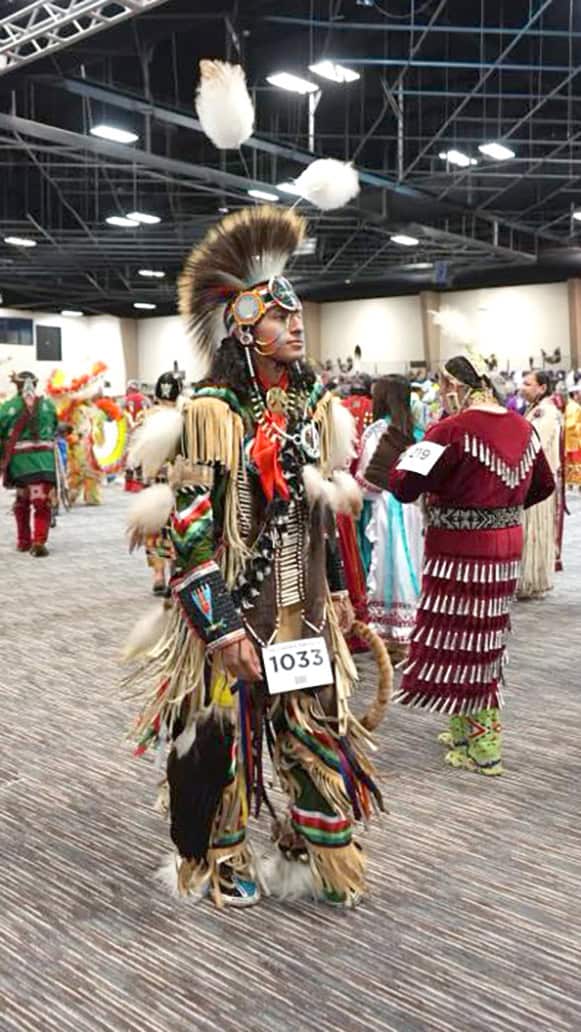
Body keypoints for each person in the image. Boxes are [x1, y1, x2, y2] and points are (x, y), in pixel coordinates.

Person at [124, 205, 385, 909]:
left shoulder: (314, 410)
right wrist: (220, 629)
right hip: (234, 616)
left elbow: (321, 514)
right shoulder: (209, 415)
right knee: (225, 741)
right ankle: (221, 854)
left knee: (313, 729)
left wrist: (337, 592)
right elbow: (188, 533)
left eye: (296, 315)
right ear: (243, 329)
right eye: (277, 315)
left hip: (302, 613)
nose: (296, 325)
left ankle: (316, 849)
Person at [365, 349, 554, 777]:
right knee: (481, 638)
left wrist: (404, 463)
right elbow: (543, 485)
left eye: (442, 386)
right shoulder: (522, 426)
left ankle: (485, 747)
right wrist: (501, 507)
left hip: (459, 550)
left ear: (453, 385)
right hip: (506, 545)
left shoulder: (450, 430)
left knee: (463, 636)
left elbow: (404, 487)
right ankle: (465, 730)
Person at [357, 375, 424, 654]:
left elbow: (368, 478)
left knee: (389, 563)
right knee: (413, 561)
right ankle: (413, 628)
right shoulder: (419, 431)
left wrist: (354, 487)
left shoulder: (377, 432)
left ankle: (392, 633)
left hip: (386, 504)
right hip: (414, 507)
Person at [0, 370, 57, 556]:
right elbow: (55, 427)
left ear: (16, 385)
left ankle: (23, 542)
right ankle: (38, 542)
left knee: (22, 501)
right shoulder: (48, 405)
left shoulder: (8, 407)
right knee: (41, 501)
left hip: (20, 466)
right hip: (45, 464)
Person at [517, 371, 562, 598]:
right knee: (530, 529)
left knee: (535, 529)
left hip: (538, 481)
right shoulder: (535, 409)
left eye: (528, 384)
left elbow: (535, 445)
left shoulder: (545, 412)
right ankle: (529, 579)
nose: (522, 387)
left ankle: (531, 581)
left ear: (542, 388)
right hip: (531, 478)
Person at [143, 372, 181, 596]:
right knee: (175, 526)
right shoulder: (183, 416)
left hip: (154, 478)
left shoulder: (147, 416)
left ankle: (158, 574)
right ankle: (174, 573)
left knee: (154, 526)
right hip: (177, 479)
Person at [565, 382, 581, 490]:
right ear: (575, 394)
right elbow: (573, 424)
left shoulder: (569, 406)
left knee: (571, 462)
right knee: (576, 461)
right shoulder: (575, 407)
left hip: (570, 439)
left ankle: (570, 483)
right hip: (574, 439)